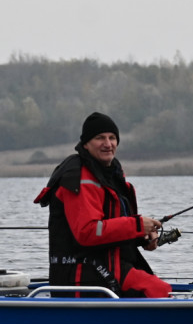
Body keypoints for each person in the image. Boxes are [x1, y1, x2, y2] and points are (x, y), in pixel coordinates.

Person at [34, 112, 172, 298]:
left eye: (112, 138)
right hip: (84, 274)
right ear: (86, 144)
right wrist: (137, 226)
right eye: (100, 138)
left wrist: (142, 236)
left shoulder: (109, 175)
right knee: (158, 290)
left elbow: (113, 227)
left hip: (108, 267)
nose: (108, 144)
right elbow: (87, 232)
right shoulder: (79, 179)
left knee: (159, 288)